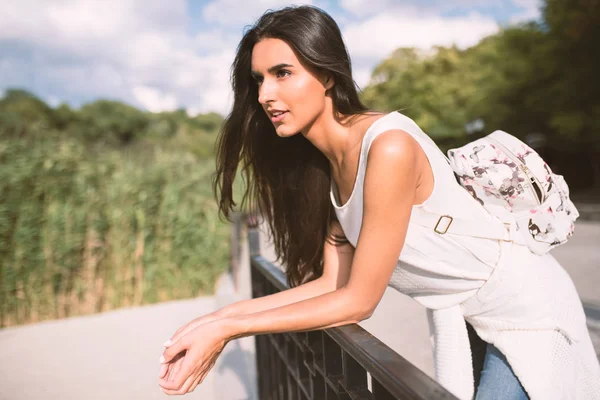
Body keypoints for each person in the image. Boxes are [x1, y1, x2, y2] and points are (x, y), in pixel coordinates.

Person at [157, 5, 600, 399]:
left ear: (327, 74)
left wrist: (229, 328)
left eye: (283, 73)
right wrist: (219, 318)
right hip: (469, 317)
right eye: (259, 79)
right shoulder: (327, 167)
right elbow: (335, 283)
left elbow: (359, 300)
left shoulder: (387, 146)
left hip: (526, 311)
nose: (265, 95)